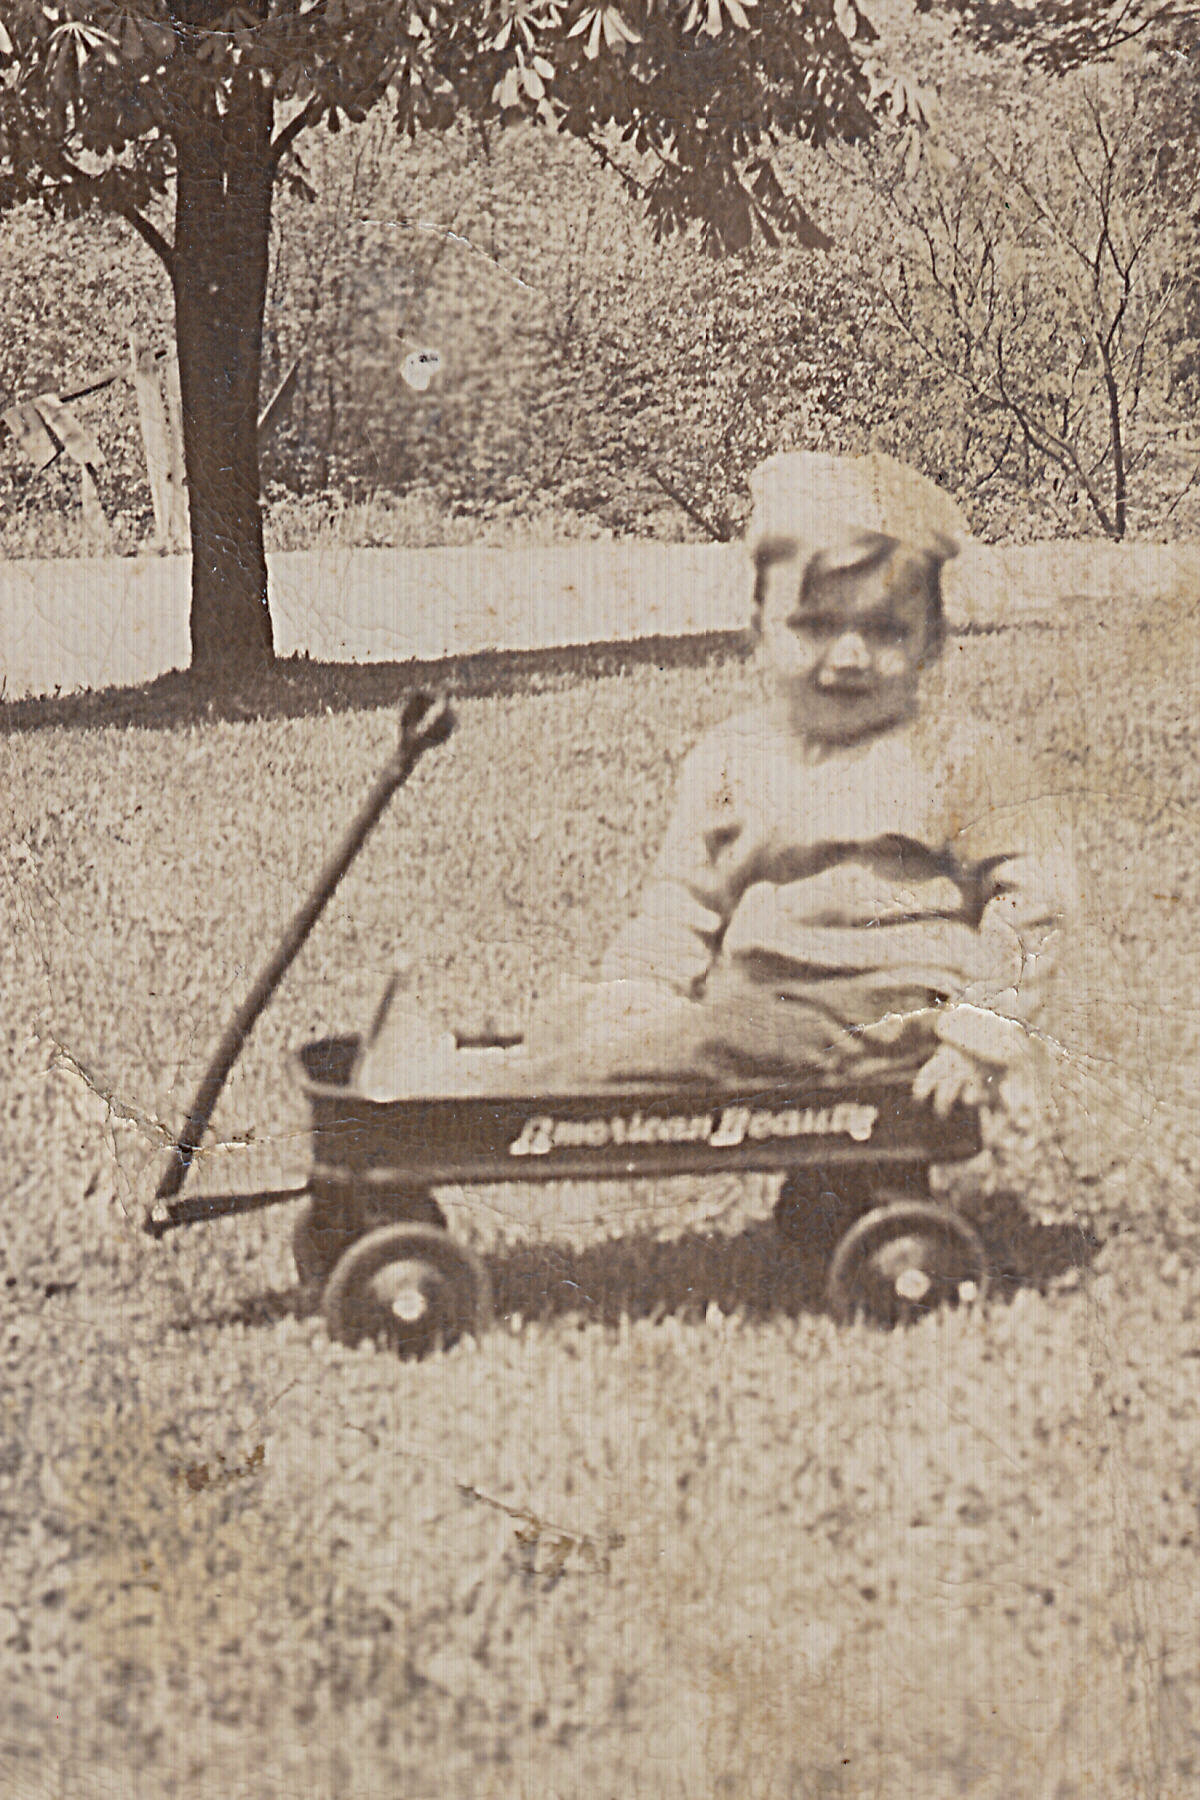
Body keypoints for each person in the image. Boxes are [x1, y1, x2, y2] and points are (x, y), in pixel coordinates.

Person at [358, 451, 1076, 1123]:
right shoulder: (735, 758)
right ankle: (510, 1057)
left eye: (886, 631)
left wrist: (979, 1035)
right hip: (763, 1010)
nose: (850, 655)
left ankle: (459, 1093)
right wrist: (643, 987)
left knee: (697, 1045)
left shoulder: (957, 758)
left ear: (932, 639)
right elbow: (684, 900)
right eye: (815, 626)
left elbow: (1035, 900)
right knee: (591, 1019)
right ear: (759, 627)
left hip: (882, 1021)